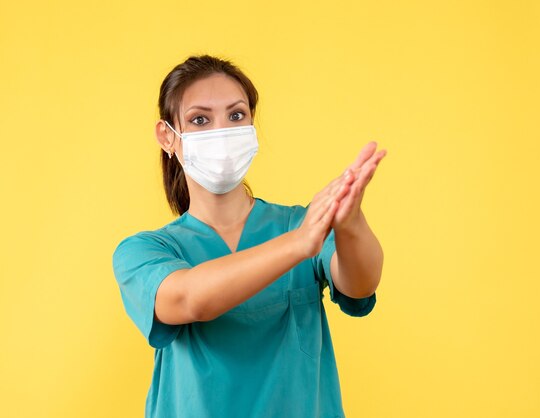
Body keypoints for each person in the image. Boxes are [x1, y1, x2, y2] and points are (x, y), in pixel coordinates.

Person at [112, 55, 386, 418]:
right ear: (167, 136)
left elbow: (360, 284)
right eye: (199, 120)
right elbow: (187, 298)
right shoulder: (145, 251)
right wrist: (297, 244)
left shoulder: (299, 224)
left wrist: (350, 224)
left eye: (236, 115)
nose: (221, 131)